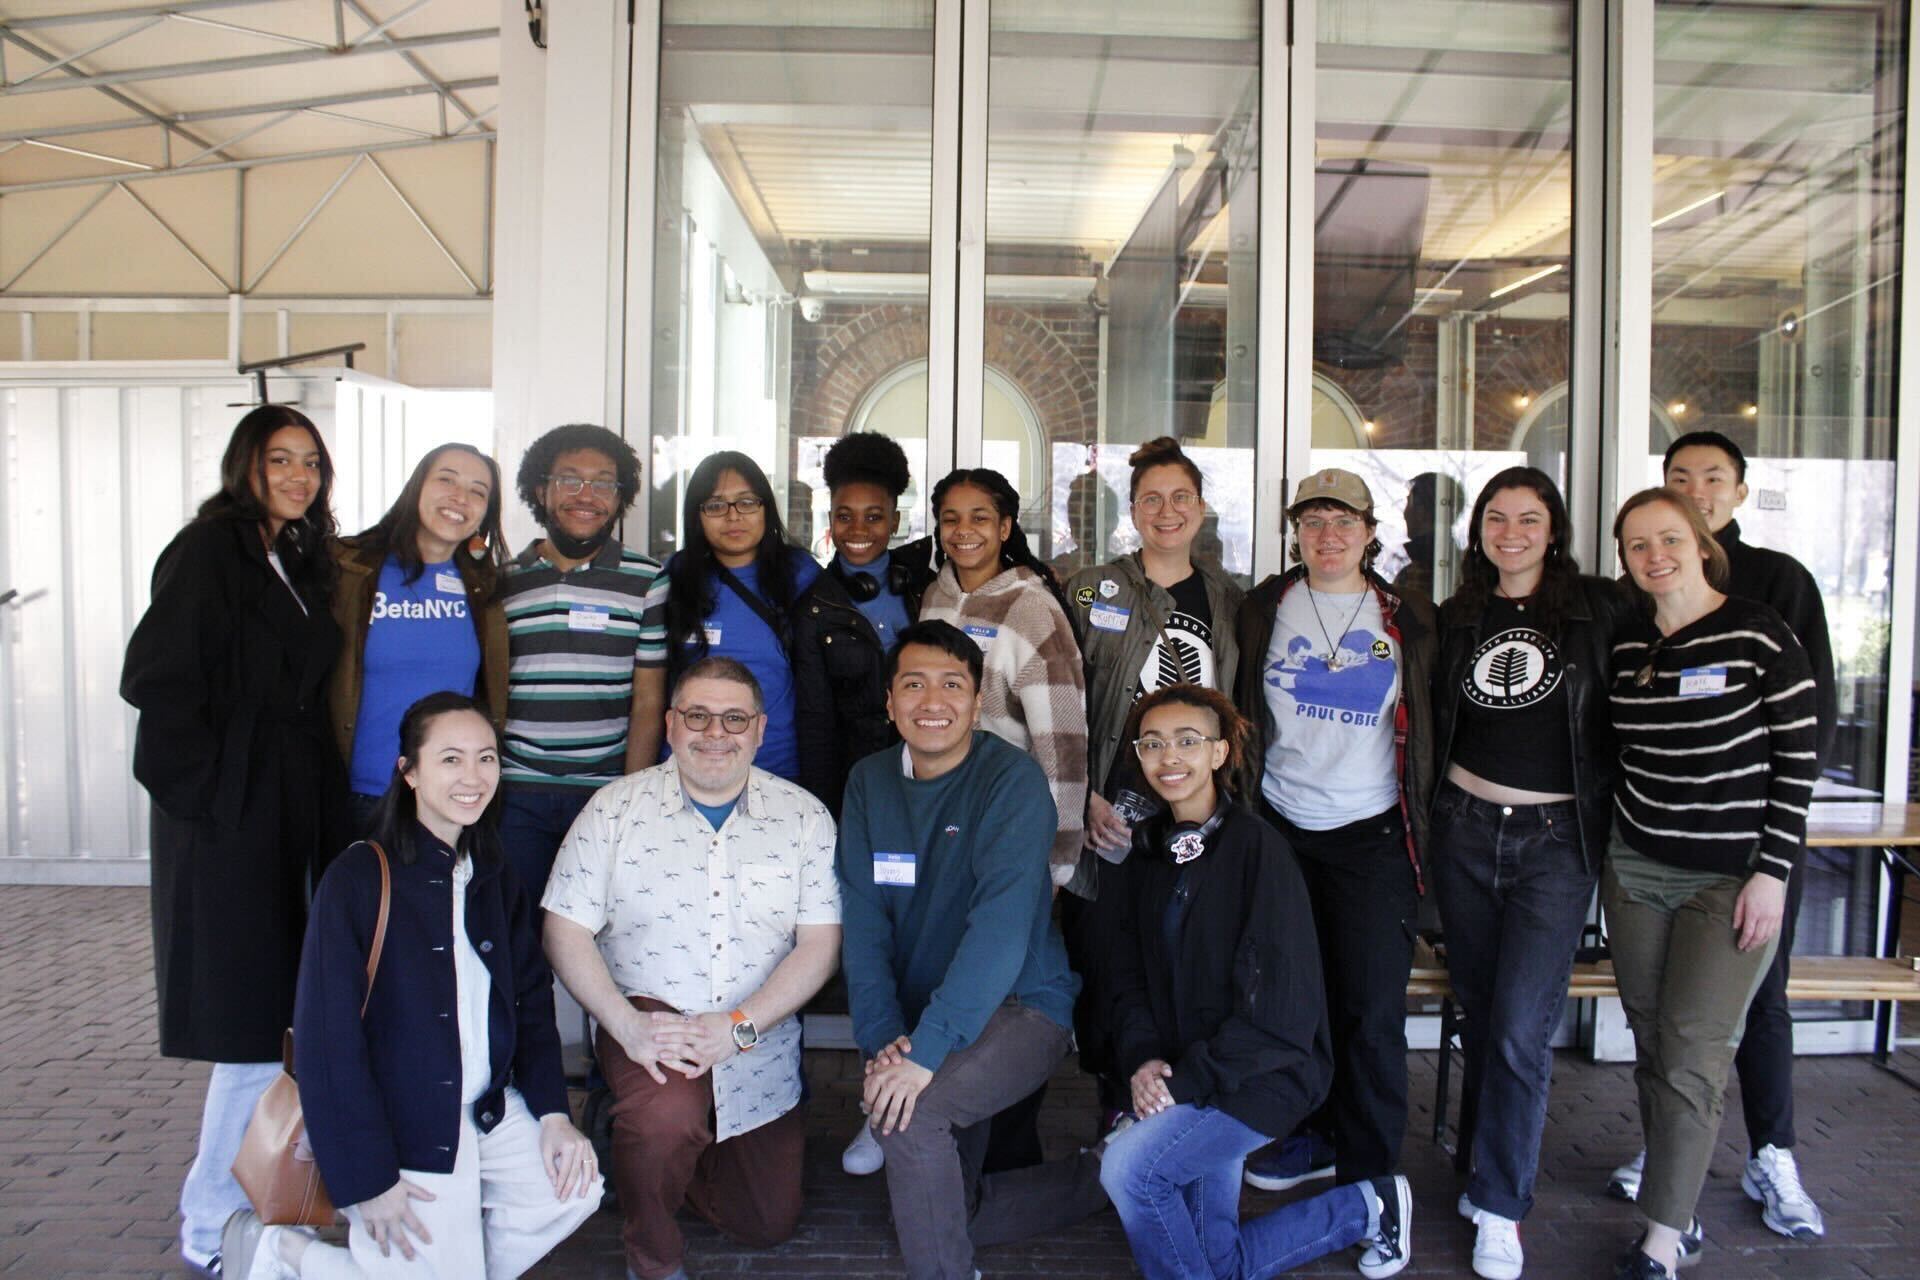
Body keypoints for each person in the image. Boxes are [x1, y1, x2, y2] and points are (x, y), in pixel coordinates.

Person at [222, 692, 601, 1279]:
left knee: (573, 1188)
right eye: (450, 760)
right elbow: (328, 1043)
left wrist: (553, 1113)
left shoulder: (495, 877)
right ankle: (286, 1254)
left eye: (486, 758)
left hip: (486, 1112)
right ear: (409, 772)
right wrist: (367, 1177)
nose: (472, 777)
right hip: (405, 1127)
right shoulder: (358, 877)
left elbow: (529, 1007)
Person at [120, 404, 345, 1277]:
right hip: (229, 825)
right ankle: (210, 1222)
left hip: (288, 817)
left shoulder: (292, 556)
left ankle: (255, 1203)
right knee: (252, 1029)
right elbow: (156, 678)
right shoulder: (210, 550)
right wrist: (207, 801)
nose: (297, 476)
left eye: (311, 463)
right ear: (242, 465)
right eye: (278, 459)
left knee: (284, 1018)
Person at [1601, 430, 1839, 1239]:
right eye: (1638, 545)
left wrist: (1773, 871)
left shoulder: (1762, 627)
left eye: (1669, 539)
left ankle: (1667, 1230)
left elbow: (1800, 756)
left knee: (1696, 1046)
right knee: (1653, 1039)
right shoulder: (1627, 640)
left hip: (1730, 876)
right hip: (1637, 871)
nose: (1655, 554)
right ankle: (1676, 1178)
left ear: (1706, 537)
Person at [1100, 682, 1413, 1280]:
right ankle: (1367, 1207)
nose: (1171, 758)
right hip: (1188, 1072)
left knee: (1130, 1171)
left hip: (1259, 1077)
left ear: (1219, 753)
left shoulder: (1257, 850)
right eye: (1154, 744)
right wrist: (1142, 1060)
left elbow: (1282, 1011)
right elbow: (1129, 977)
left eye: (1188, 742)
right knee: (1216, 1262)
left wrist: (1183, 1081)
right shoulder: (1148, 854)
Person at [543, 658, 842, 1280]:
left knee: (764, 1220)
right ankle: (652, 1252)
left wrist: (737, 1026)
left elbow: (820, 944)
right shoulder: (613, 808)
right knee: (664, 1118)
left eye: (734, 718)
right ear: (671, 725)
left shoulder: (804, 818)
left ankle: (641, 1153)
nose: (716, 733)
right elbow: (564, 928)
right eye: (698, 716)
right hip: (651, 1023)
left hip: (755, 1034)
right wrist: (624, 1025)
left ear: (759, 730)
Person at [836, 621, 1109, 1280]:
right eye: (914, 684)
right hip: (934, 1015)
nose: (934, 701)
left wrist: (922, 1056)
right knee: (947, 1206)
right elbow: (864, 923)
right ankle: (1108, 1174)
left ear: (977, 699)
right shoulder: (869, 782)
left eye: (951, 684)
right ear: (891, 702)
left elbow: (1001, 932)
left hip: (1021, 1009)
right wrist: (882, 1043)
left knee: (912, 1118)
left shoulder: (1011, 782)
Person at [1430, 467, 1631, 1280]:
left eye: (1529, 518)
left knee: (1518, 1029)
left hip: (1554, 841)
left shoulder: (1599, 610)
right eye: (1496, 518)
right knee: (1484, 1016)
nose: (1511, 532)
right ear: (1478, 530)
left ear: (1554, 530)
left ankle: (1505, 1207)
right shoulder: (1457, 617)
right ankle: (1484, 1169)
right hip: (1464, 832)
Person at [1231, 468, 1435, 1254]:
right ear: (1296, 532)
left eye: (1341, 520)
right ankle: (1312, 1134)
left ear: (1369, 531)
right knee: (1295, 1004)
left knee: (1371, 1013)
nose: (1327, 535)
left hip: (1373, 836)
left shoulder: (1407, 616)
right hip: (1283, 827)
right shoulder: (1264, 609)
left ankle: (1373, 1184)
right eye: (1312, 521)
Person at [1063, 435, 1244, 1136]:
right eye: (1151, 499)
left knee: (1180, 957)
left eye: (1181, 498)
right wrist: (1080, 795)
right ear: (1133, 511)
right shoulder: (1091, 588)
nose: (1166, 511)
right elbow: (1060, 699)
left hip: (1191, 814)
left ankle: (1172, 1099)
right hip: (1105, 811)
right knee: (1106, 957)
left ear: (1201, 509)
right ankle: (1115, 1100)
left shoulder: (1230, 601)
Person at [498, 424, 667, 898]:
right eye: (569, 479)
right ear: (541, 490)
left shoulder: (648, 581)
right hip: (516, 790)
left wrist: (630, 798)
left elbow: (648, 701)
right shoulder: (503, 582)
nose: (586, 495)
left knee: (595, 932)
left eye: (603, 482)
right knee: (518, 930)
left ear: (620, 497)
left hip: (603, 791)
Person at [917, 468, 1089, 884]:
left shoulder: (1031, 609)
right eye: (950, 518)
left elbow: (1061, 740)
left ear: (1005, 527)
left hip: (1005, 814)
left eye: (979, 518)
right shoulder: (933, 598)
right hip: (936, 811)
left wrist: (1058, 860)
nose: (963, 531)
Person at [329, 444, 510, 835]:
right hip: (360, 796)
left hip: (448, 802)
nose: (460, 498)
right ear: (416, 488)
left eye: (478, 491)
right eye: (446, 479)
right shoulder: (349, 567)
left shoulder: (484, 587)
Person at [651, 450, 845, 790]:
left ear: (765, 508)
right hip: (688, 773)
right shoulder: (675, 578)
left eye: (746, 503)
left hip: (779, 771)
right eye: (715, 505)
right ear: (697, 516)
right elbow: (652, 686)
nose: (733, 517)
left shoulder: (802, 575)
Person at [793, 430, 937, 816]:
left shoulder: (927, 588)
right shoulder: (814, 607)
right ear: (830, 521)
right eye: (844, 517)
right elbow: (815, 724)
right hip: (856, 783)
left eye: (874, 517)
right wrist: (823, 812)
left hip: (931, 773)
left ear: (895, 522)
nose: (858, 531)